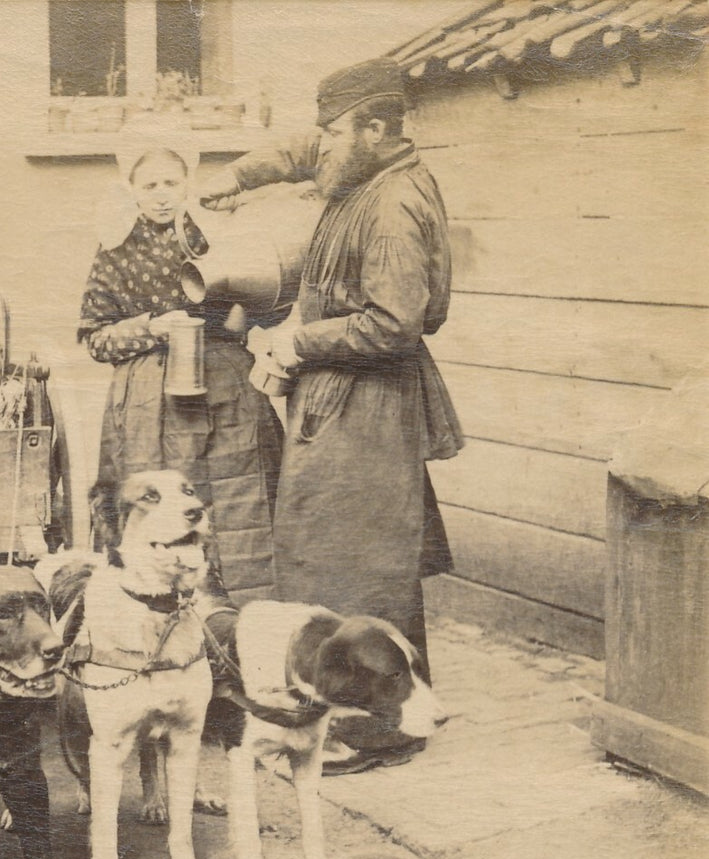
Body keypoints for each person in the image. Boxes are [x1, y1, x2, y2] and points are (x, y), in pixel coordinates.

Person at [199, 57, 464, 775]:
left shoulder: (389, 207)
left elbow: (393, 324)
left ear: (374, 128)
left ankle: (375, 732)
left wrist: (294, 338)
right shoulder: (363, 169)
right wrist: (236, 176)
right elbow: (300, 149)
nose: (320, 147)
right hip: (344, 395)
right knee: (356, 556)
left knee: (353, 563)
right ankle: (404, 708)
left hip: (368, 402)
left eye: (333, 132)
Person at [79, 138, 283, 605]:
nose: (162, 194)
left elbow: (260, 298)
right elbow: (95, 338)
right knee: (159, 513)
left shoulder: (214, 232)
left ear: (187, 183)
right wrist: (151, 327)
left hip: (226, 389)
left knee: (241, 501)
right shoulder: (115, 248)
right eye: (149, 184)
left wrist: (243, 315)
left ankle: (246, 619)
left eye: (171, 182)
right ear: (131, 188)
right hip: (148, 404)